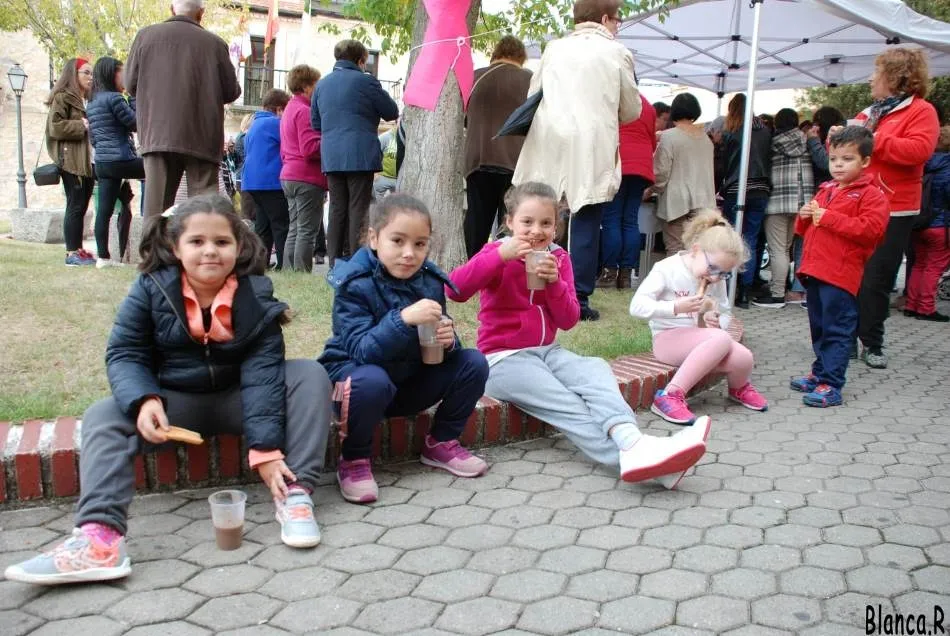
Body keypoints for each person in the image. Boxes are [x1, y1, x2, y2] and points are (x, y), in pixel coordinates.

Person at [4, 195, 332, 585]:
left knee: (308, 375)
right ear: (176, 247)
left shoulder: (256, 294)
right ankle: (100, 541)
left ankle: (295, 495)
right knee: (102, 416)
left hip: (237, 400)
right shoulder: (150, 289)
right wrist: (144, 399)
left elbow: (262, 374)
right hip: (175, 404)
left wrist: (264, 450)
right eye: (197, 242)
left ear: (238, 247)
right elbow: (125, 352)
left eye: (222, 242)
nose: (210, 250)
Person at [448, 182, 710, 488]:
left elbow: (570, 320)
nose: (536, 231)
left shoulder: (559, 258)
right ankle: (630, 457)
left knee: (595, 370)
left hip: (549, 351)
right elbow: (454, 290)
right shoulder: (495, 252)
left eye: (546, 223)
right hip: (503, 359)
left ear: (557, 226)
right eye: (527, 222)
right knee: (565, 402)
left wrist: (555, 284)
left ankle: (635, 443)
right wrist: (499, 256)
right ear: (509, 223)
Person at [319, 194, 489, 504]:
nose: (409, 254)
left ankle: (441, 442)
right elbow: (361, 351)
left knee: (473, 362)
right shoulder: (354, 283)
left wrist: (449, 341)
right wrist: (402, 319)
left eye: (420, 244)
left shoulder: (429, 281)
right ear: (374, 238)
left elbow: (440, 341)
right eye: (397, 241)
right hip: (359, 388)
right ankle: (354, 460)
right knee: (372, 379)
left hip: (406, 383)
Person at [513, 0, 642, 322]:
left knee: (536, 213)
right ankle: (579, 298)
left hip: (549, 137)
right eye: (617, 20)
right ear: (603, 18)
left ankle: (527, 285)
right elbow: (632, 110)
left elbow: (534, 92)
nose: (617, 26)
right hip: (592, 142)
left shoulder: (554, 48)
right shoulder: (617, 53)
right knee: (587, 216)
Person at [630, 210, 768, 424]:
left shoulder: (715, 279)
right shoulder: (667, 269)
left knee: (744, 357)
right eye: (712, 268)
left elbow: (724, 312)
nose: (715, 277)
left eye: (724, 273)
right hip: (668, 339)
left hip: (702, 341)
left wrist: (715, 319)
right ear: (695, 251)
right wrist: (676, 307)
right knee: (721, 339)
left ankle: (738, 388)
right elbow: (637, 307)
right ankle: (670, 395)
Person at [851, 49, 941, 369]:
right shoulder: (868, 112)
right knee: (850, 275)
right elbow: (848, 153)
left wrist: (871, 140)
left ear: (895, 76)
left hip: (894, 209)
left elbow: (918, 151)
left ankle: (872, 342)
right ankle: (845, 338)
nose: (872, 79)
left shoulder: (922, 111)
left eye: (877, 72)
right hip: (856, 205)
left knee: (877, 278)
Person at [791, 127, 890, 406]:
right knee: (819, 327)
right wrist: (804, 216)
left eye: (847, 159)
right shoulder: (826, 190)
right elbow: (805, 230)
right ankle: (819, 373)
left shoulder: (872, 195)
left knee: (837, 329)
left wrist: (829, 218)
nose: (838, 165)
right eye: (834, 159)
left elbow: (871, 231)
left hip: (841, 275)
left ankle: (832, 384)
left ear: (866, 162)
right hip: (815, 271)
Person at [126, 0, 242, 217]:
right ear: (201, 14)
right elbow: (231, 92)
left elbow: (130, 83)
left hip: (158, 133)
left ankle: (154, 251)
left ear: (171, 9)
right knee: (204, 211)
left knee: (157, 212)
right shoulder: (216, 44)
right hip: (203, 136)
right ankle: (200, 250)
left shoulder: (145, 37)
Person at [312, 39, 399, 266]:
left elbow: (316, 123)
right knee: (358, 209)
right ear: (361, 61)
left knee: (336, 207)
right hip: (360, 153)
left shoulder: (321, 85)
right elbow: (391, 111)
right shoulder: (366, 81)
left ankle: (334, 261)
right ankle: (355, 259)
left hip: (331, 154)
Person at [463, 35, 533, 258]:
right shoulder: (530, 79)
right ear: (520, 56)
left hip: (478, 158)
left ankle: (472, 268)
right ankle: (507, 269)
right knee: (512, 220)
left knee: (477, 219)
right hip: (515, 160)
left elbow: (465, 118)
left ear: (496, 53)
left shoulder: (475, 78)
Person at [87, 56, 145, 268]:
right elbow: (136, 123)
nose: (126, 77)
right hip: (121, 159)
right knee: (157, 169)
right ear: (113, 74)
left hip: (102, 162)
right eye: (123, 72)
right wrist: (133, 97)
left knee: (104, 211)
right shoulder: (115, 98)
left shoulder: (92, 102)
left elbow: (93, 137)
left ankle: (103, 258)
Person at [754, 108, 815, 308]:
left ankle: (777, 294)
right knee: (788, 249)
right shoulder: (808, 141)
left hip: (778, 202)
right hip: (802, 203)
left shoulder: (773, 143)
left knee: (777, 250)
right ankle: (787, 288)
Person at [597, 95, 655, 289]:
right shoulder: (648, 106)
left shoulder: (613, 99)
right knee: (630, 220)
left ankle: (609, 273)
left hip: (619, 162)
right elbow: (652, 140)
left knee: (611, 219)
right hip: (642, 165)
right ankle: (626, 275)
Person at [720, 93, 773, 308]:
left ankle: (729, 286)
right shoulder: (766, 131)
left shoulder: (731, 132)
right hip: (760, 189)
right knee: (750, 238)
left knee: (732, 238)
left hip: (736, 186)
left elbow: (726, 163)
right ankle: (744, 290)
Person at [653, 92, 716, 256]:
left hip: (677, 202)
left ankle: (678, 282)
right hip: (704, 202)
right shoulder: (706, 139)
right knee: (698, 252)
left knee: (676, 250)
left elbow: (661, 172)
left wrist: (652, 190)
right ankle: (695, 282)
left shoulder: (668, 137)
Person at [46, 57, 95, 267]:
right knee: (75, 205)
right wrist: (80, 125)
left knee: (82, 206)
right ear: (74, 74)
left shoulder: (88, 99)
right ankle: (71, 253)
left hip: (88, 160)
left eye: (92, 73)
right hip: (71, 160)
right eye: (86, 72)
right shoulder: (63, 97)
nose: (91, 77)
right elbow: (54, 127)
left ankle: (79, 250)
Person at [280, 65, 328, 273]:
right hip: (306, 176)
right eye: (317, 85)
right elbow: (309, 148)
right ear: (307, 87)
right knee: (307, 230)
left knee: (294, 228)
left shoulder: (289, 109)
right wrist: (330, 139)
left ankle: (289, 271)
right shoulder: (305, 111)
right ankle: (301, 273)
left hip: (289, 174)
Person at [905, 126, 950, 322]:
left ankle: (911, 304)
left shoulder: (923, 162)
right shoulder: (948, 165)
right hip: (941, 223)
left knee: (919, 264)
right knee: (934, 266)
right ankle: (926, 307)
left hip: (919, 221)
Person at [244, 89, 292, 270]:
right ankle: (283, 263)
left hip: (252, 182)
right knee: (281, 224)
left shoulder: (255, 124)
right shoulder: (275, 123)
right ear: (279, 109)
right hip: (270, 181)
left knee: (263, 226)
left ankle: (260, 263)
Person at [232, 113, 257, 222]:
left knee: (247, 211)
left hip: (241, 177)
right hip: (244, 177)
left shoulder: (241, 137)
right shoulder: (244, 137)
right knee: (248, 213)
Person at [374, 125, 399, 200]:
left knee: (398, 204)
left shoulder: (409, 138)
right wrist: (375, 174)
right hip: (383, 176)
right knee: (376, 203)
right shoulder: (385, 137)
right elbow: (373, 154)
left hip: (399, 179)